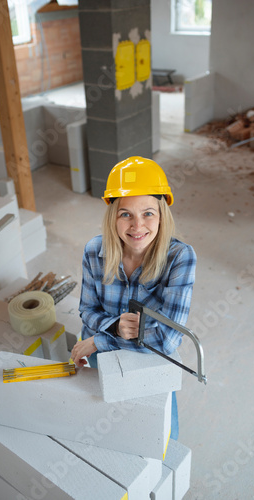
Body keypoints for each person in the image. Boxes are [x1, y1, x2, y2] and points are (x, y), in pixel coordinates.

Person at [71, 155, 197, 439]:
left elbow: (166, 340)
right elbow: (86, 309)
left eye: (148, 213)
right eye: (126, 213)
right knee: (103, 430)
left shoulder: (180, 258)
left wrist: (99, 338)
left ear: (162, 214)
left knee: (163, 438)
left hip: (147, 358)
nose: (137, 225)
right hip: (101, 354)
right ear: (113, 216)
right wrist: (117, 326)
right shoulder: (94, 251)